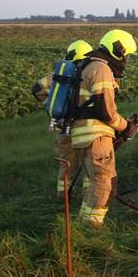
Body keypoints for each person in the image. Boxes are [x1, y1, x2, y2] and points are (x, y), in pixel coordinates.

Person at [71, 29, 138, 225]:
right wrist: (125, 127)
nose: (126, 60)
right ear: (119, 50)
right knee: (102, 181)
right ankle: (91, 228)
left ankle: (84, 221)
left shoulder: (87, 65)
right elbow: (106, 112)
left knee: (94, 181)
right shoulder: (101, 69)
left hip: (83, 134)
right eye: (127, 55)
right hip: (95, 136)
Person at [32, 39, 93, 198]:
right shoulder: (89, 74)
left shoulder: (58, 75)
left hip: (63, 127)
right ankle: (87, 196)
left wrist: (49, 103)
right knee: (89, 164)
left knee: (67, 164)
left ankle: (63, 196)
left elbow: (37, 88)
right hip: (84, 126)